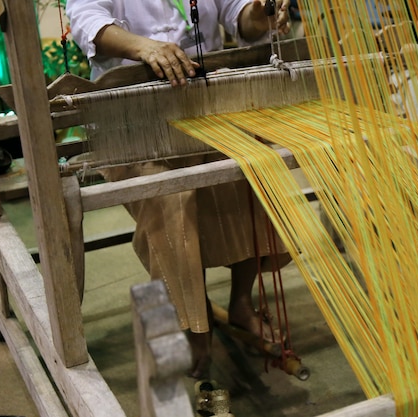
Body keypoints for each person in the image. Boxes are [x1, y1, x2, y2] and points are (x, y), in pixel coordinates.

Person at [66, 0, 293, 379]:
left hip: (206, 103)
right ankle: (193, 319)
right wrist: (143, 47)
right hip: (132, 117)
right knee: (170, 196)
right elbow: (88, 20)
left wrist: (259, 14)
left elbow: (242, 18)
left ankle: (240, 302)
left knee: (253, 171)